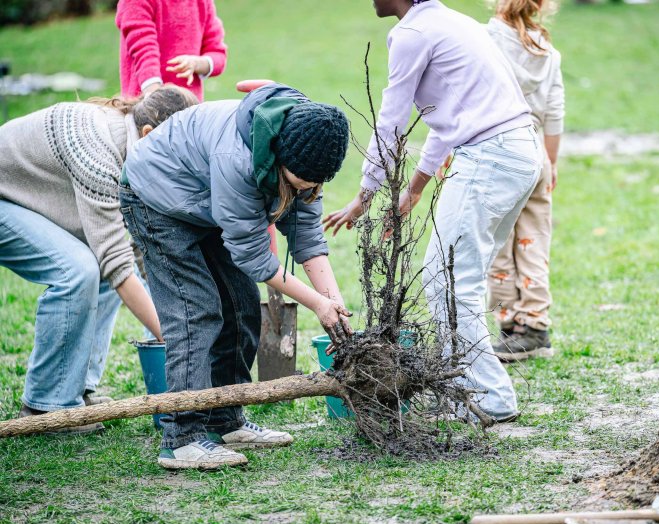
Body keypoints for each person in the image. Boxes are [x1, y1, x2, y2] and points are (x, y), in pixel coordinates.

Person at [323, 0, 543, 422]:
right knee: (461, 279)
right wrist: (414, 190)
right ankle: (466, 389)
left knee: (448, 280)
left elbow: (391, 122)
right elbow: (447, 117)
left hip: (491, 155)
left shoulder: (411, 34)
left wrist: (363, 196)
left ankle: (491, 397)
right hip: (515, 151)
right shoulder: (450, 21)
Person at [121, 82, 353, 470]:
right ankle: (182, 437)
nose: (309, 190)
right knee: (197, 311)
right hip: (155, 200)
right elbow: (252, 255)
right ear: (279, 159)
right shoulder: (238, 158)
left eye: (317, 185)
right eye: (301, 183)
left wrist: (334, 302)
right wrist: (315, 303)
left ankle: (224, 418)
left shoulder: (306, 147)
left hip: (204, 203)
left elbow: (307, 237)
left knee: (242, 304)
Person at [0, 86, 198, 434]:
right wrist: (173, 340)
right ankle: (47, 407)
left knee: (102, 265)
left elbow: (135, 249)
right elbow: (119, 266)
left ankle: (75, 388)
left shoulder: (134, 149)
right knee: (77, 270)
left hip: (20, 198)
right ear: (151, 134)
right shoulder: (97, 148)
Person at [486, 0, 565, 361]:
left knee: (498, 242)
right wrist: (551, 159)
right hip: (536, 151)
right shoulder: (547, 50)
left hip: (500, 152)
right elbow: (554, 111)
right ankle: (535, 325)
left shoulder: (486, 39)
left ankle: (509, 323)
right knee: (534, 241)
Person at [116, 0, 228, 101]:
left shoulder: (203, 3)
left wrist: (197, 64)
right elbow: (143, 49)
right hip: (144, 106)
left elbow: (218, 54)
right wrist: (154, 96)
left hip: (189, 111)